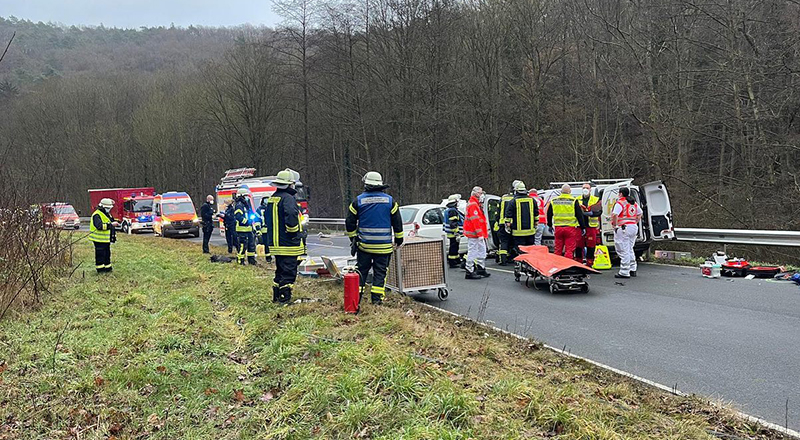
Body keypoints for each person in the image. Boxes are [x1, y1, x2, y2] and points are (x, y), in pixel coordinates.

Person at [345, 171, 404, 305]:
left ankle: (356, 299)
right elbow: (397, 223)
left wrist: (353, 238)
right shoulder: (390, 201)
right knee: (380, 274)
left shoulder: (358, 201)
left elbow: (349, 222)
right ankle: (376, 301)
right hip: (384, 247)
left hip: (364, 246)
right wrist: (399, 240)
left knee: (361, 272)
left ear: (366, 184)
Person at [264, 169, 304, 304]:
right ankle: (284, 299)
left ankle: (276, 297)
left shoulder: (272, 198)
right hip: (288, 243)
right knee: (288, 272)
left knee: (280, 271)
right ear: (290, 184)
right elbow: (291, 216)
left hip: (276, 244)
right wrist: (294, 233)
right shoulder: (288, 198)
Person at [547, 184, 586, 262]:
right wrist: (583, 227)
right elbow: (579, 215)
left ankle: (557, 265)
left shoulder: (554, 201)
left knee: (558, 249)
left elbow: (549, 214)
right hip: (570, 228)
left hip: (558, 228)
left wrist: (550, 225)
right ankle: (568, 265)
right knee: (569, 249)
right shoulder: (573, 201)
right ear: (570, 191)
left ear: (561, 191)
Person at [612, 187, 642, 279]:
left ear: (620, 194)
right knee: (629, 248)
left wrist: (615, 225)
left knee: (623, 249)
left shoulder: (620, 203)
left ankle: (624, 271)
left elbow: (615, 214)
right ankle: (632, 268)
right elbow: (640, 213)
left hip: (623, 228)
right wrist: (635, 222)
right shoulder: (633, 203)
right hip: (633, 227)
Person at [463, 186, 491, 279]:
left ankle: (480, 268)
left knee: (482, 251)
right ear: (475, 193)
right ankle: (469, 270)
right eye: (480, 193)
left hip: (478, 234)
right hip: (474, 234)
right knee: (473, 251)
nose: (482, 194)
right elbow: (475, 221)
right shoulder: (473, 205)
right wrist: (480, 234)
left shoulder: (476, 204)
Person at [504, 180, 538, 253]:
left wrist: (508, 226)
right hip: (530, 231)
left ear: (516, 191)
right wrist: (535, 225)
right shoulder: (532, 200)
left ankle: (522, 259)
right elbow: (536, 214)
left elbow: (508, 216)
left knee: (520, 250)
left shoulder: (513, 201)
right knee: (530, 250)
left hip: (518, 232)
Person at [89, 198, 119, 273]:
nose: (109, 209)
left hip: (105, 239)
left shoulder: (106, 214)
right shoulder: (97, 214)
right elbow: (99, 226)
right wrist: (111, 225)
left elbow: (109, 221)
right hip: (98, 239)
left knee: (107, 254)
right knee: (100, 255)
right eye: (107, 208)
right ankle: (100, 270)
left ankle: (108, 268)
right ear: (102, 207)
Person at [495, 180, 520, 266]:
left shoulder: (503, 198)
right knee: (514, 241)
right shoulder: (517, 199)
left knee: (504, 242)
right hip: (514, 224)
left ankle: (503, 260)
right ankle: (513, 258)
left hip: (502, 223)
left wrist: (497, 221)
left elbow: (497, 212)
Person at [577, 183, 602, 266]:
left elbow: (599, 211)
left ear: (590, 189)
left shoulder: (596, 199)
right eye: (584, 188)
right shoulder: (577, 199)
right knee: (579, 245)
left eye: (587, 188)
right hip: (580, 226)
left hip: (591, 226)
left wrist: (592, 214)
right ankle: (579, 262)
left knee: (591, 245)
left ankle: (590, 263)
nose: (585, 189)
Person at [234, 188, 258, 265]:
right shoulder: (239, 205)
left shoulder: (246, 205)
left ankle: (251, 261)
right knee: (242, 246)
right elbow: (238, 216)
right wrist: (247, 222)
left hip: (249, 229)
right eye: (245, 196)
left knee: (251, 246)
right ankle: (240, 261)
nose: (246, 197)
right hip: (242, 230)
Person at [443, 194, 463, 268]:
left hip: (451, 232)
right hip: (453, 233)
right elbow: (453, 223)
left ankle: (456, 260)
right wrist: (456, 233)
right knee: (453, 247)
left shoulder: (449, 209)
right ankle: (452, 262)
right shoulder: (452, 211)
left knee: (455, 246)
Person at [256, 198, 273, 263]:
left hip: (271, 229)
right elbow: (257, 220)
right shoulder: (260, 209)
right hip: (265, 229)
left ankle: (270, 258)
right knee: (267, 244)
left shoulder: (271, 208)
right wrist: (258, 229)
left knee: (270, 244)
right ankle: (268, 258)